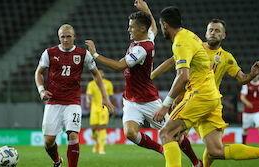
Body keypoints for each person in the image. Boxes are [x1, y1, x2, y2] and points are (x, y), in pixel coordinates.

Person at [152, 6, 259, 167]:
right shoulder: (195, 42)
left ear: (223, 35)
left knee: (167, 133)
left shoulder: (224, 57)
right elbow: (173, 62)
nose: (213, 33)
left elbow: (183, 76)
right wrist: (152, 75)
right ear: (205, 32)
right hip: (209, 99)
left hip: (199, 97)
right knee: (215, 151)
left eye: (217, 31)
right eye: (211, 30)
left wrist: (250, 75)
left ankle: (195, 162)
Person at [85, 1, 202, 167]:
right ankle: (161, 150)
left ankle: (196, 162)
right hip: (131, 100)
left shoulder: (142, 49)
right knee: (130, 133)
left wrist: (95, 54)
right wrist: (147, 10)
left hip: (148, 100)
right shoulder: (147, 38)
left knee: (174, 134)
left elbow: (119, 66)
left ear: (141, 29)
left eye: (131, 26)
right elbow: (153, 27)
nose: (128, 29)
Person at [35, 24, 114, 167]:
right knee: (48, 142)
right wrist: (41, 89)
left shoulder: (83, 54)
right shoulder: (49, 53)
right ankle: (57, 161)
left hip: (72, 102)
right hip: (53, 102)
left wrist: (104, 96)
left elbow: (96, 74)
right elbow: (38, 72)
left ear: (74, 37)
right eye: (62, 37)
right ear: (59, 37)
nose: (65, 40)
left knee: (72, 135)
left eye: (68, 36)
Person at [86, 69, 116, 154]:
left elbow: (111, 97)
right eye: (98, 72)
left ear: (103, 74)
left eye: (101, 72)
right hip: (94, 108)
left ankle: (101, 147)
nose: (100, 73)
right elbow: (88, 95)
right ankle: (96, 143)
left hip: (104, 108)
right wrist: (88, 100)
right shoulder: (91, 84)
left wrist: (113, 107)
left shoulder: (108, 83)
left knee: (102, 126)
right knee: (94, 128)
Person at [240, 74, 259, 147]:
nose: (255, 76)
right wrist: (247, 102)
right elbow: (242, 97)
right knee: (245, 129)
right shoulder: (246, 85)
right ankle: (244, 144)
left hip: (258, 111)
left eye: (257, 75)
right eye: (254, 75)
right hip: (247, 112)